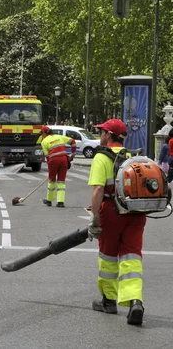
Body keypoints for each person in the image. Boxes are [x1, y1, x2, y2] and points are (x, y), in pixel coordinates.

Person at [87, 118, 145, 326]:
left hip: (112, 213)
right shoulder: (134, 156)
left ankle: (109, 301)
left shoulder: (102, 158)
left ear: (108, 135)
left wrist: (94, 218)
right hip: (136, 213)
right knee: (132, 257)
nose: (100, 135)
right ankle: (135, 302)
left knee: (108, 257)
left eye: (102, 132)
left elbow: (98, 190)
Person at [40, 125, 76, 207]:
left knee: (52, 180)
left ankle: (49, 200)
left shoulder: (44, 142)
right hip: (64, 160)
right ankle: (60, 202)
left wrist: (51, 170)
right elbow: (73, 142)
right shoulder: (59, 136)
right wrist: (72, 155)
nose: (41, 135)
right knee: (61, 181)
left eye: (41, 133)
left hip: (53, 160)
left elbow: (47, 157)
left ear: (44, 133)